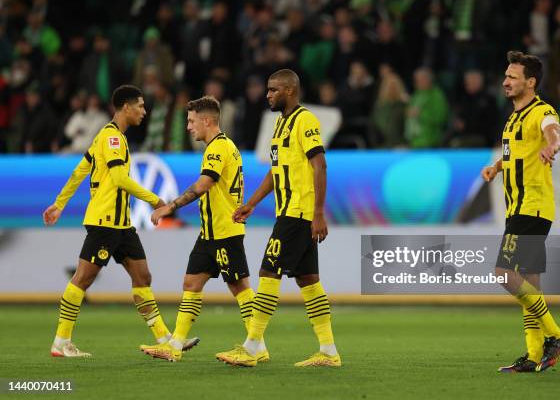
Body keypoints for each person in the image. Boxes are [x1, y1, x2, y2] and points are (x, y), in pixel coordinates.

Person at [43, 85, 198, 358]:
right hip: (105, 222)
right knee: (83, 278)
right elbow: (118, 179)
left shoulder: (108, 136)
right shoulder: (112, 138)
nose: (144, 111)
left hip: (121, 225)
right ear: (126, 107)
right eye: (140, 105)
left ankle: (164, 338)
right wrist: (154, 199)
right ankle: (60, 341)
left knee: (142, 276)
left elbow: (81, 170)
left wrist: (59, 203)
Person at [216, 69, 341, 367]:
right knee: (309, 281)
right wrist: (252, 204)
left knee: (268, 272)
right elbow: (276, 173)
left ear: (290, 90)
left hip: (299, 213)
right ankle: (329, 351)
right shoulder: (279, 125)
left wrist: (319, 213)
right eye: (268, 89)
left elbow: (320, 166)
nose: (268, 94)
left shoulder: (305, 120)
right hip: (288, 212)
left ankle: (252, 345)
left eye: (273, 90)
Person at [139, 95, 266, 363]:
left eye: (191, 120)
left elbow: (204, 184)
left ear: (207, 121)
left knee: (239, 287)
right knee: (192, 283)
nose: (188, 126)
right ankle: (174, 345)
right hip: (210, 233)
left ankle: (258, 346)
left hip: (224, 231)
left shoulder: (218, 148)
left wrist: (168, 207)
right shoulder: (220, 146)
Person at [481, 51, 560, 373]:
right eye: (505, 76)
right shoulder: (512, 119)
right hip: (518, 207)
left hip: (531, 206)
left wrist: (553, 146)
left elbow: (553, 132)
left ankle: (556, 335)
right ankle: (534, 356)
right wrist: (496, 167)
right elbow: (516, 157)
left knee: (505, 274)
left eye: (512, 77)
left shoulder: (542, 111)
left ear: (530, 82)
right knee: (530, 282)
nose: (505, 81)